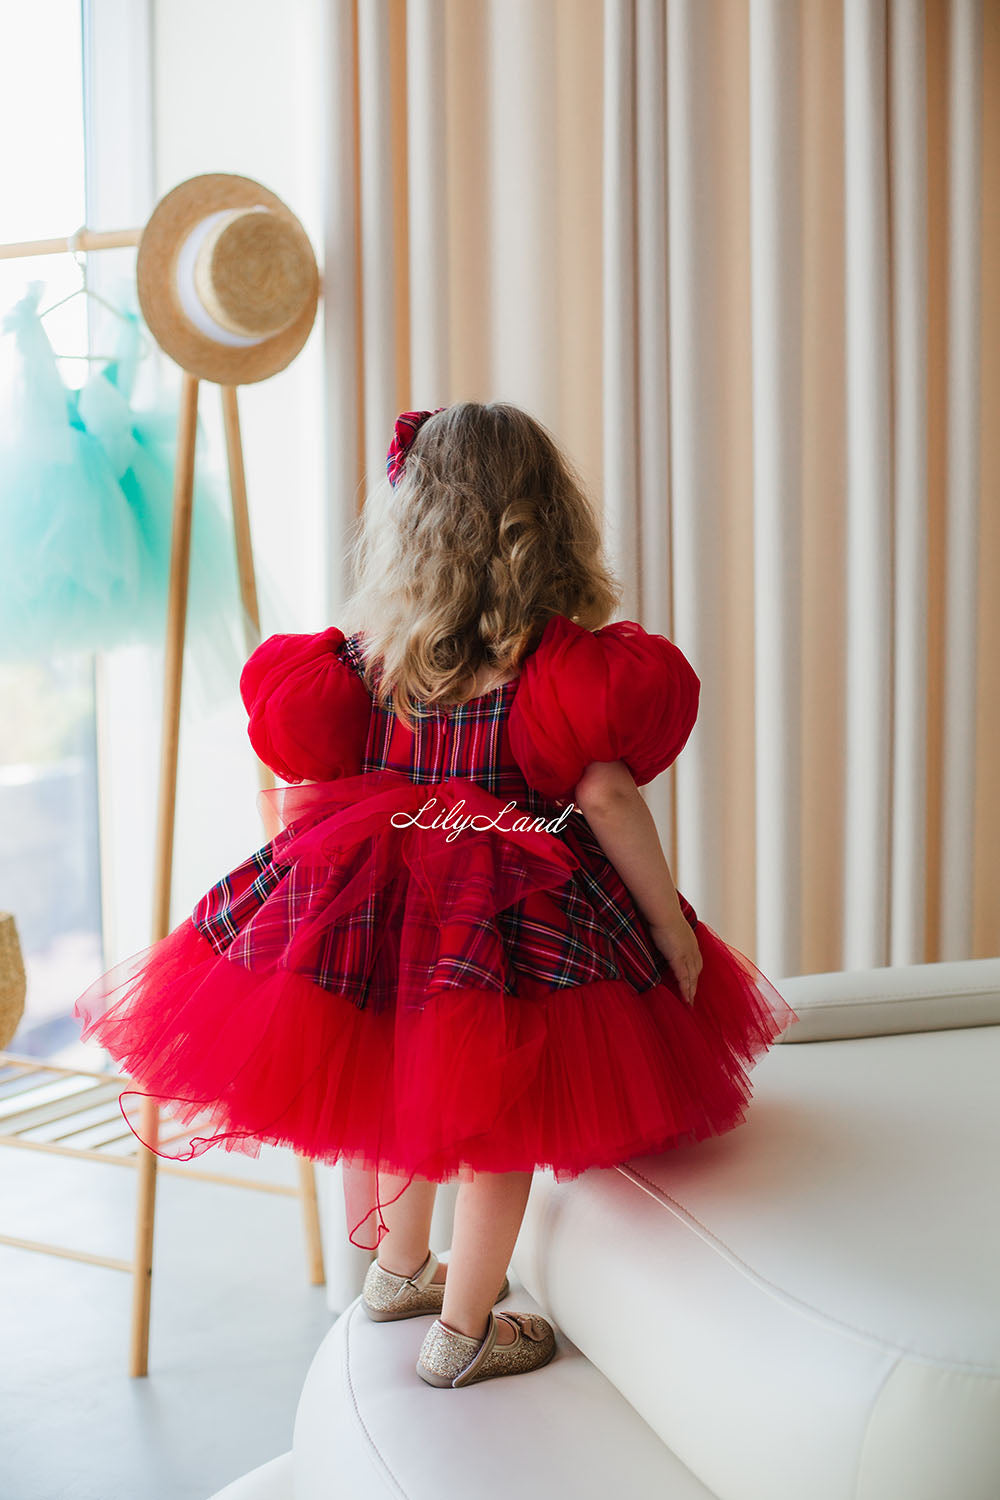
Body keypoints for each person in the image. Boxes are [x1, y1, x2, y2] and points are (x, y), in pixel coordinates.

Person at [73, 401, 797, 1390]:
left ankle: (396, 1271)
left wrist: (315, 898)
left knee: (393, 1082)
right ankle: (463, 1335)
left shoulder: (360, 659)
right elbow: (604, 794)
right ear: (544, 518)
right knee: (498, 1126)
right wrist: (670, 928)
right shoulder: (554, 660)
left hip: (376, 894)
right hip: (512, 907)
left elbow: (300, 791)